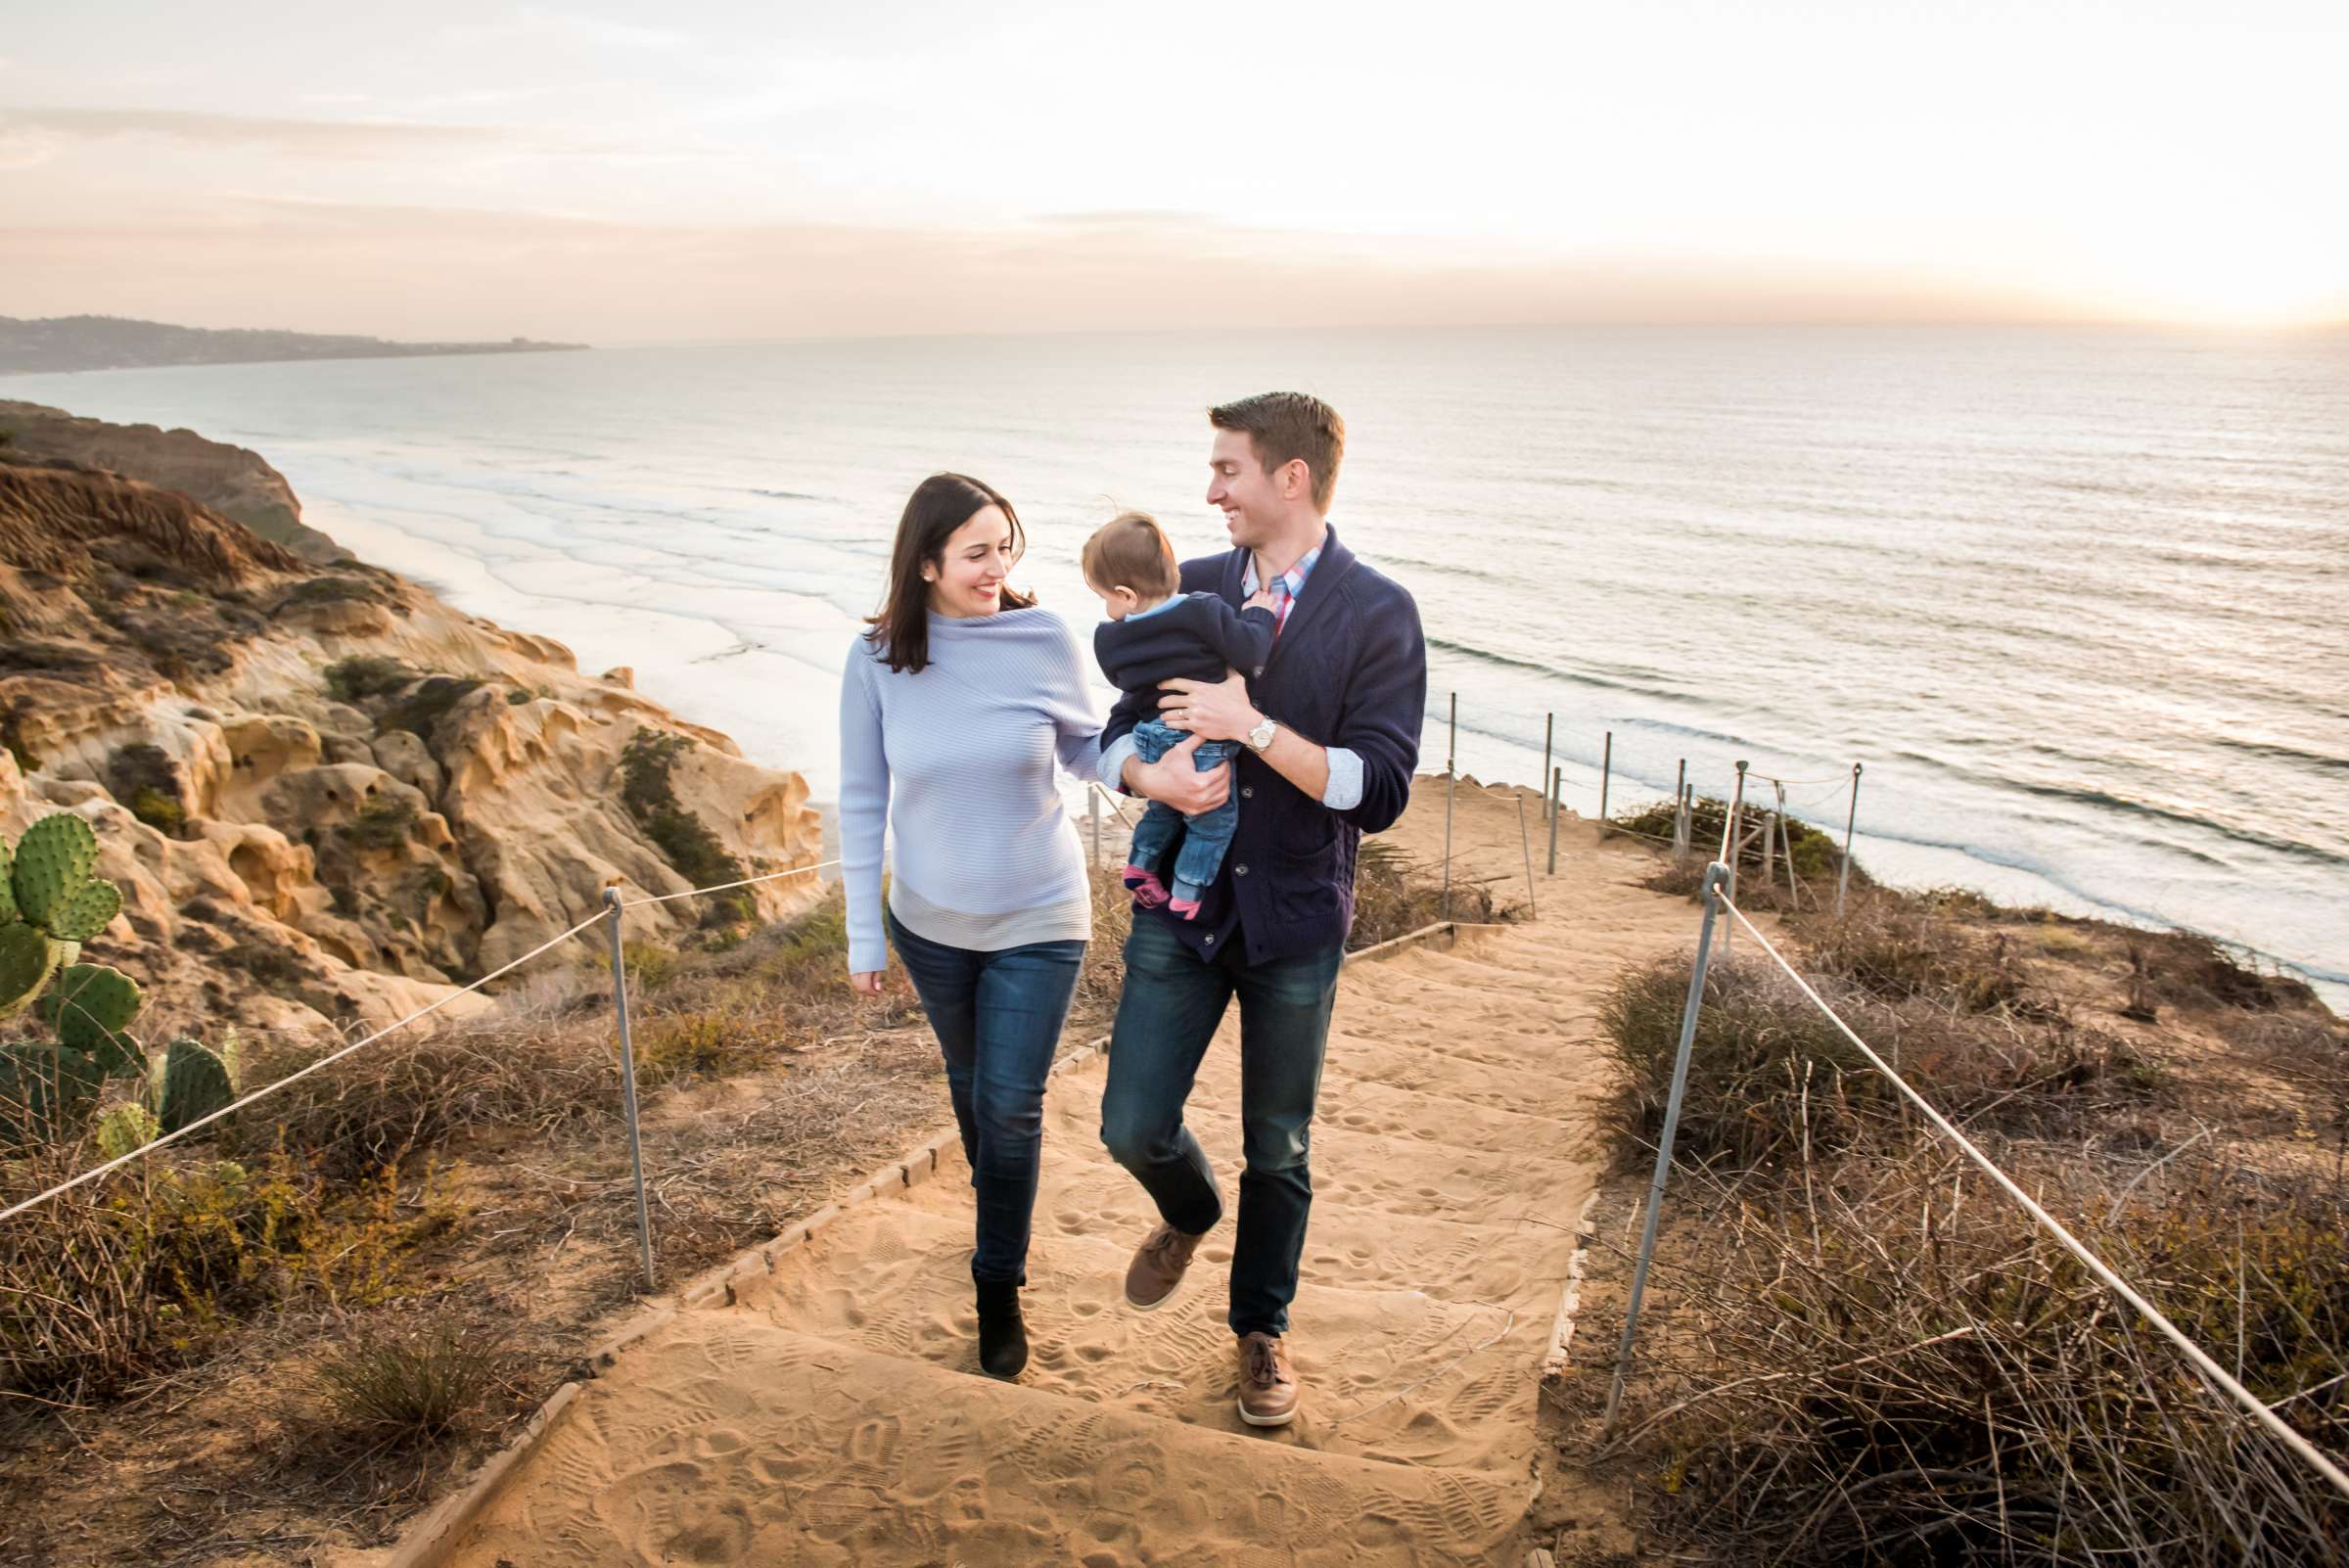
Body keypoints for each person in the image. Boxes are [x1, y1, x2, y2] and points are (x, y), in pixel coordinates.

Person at [1095, 392, 1427, 1427]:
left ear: (1292, 477)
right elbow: (1113, 731)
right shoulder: (1183, 586)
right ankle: (1188, 1213)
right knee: (1129, 1125)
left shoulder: (1380, 613)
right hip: (1177, 916)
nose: (1209, 491)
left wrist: (1256, 728)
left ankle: (1260, 1333)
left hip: (1294, 923)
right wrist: (1152, 785)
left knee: (1278, 1147)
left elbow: (1381, 788)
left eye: (1227, 470)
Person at [840, 472, 1101, 1381]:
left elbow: (1086, 747)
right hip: (930, 922)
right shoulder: (876, 660)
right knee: (967, 1081)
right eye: (977, 552)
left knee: (1008, 1105)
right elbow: (863, 798)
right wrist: (862, 938)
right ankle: (1002, 1212)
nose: (998, 568)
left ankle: (998, 1286)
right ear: (926, 563)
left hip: (1041, 912)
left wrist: (1159, 756)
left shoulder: (1042, 638)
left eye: (1006, 547)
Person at [1082, 509, 1278, 916]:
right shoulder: (1204, 610)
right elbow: (1250, 651)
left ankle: (1140, 863)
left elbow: (1122, 682)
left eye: (1105, 597)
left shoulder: (1111, 638)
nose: (1106, 610)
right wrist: (1260, 614)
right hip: (1198, 739)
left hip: (1152, 737)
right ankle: (1187, 893)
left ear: (1128, 595)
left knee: (1164, 806)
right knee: (1212, 822)